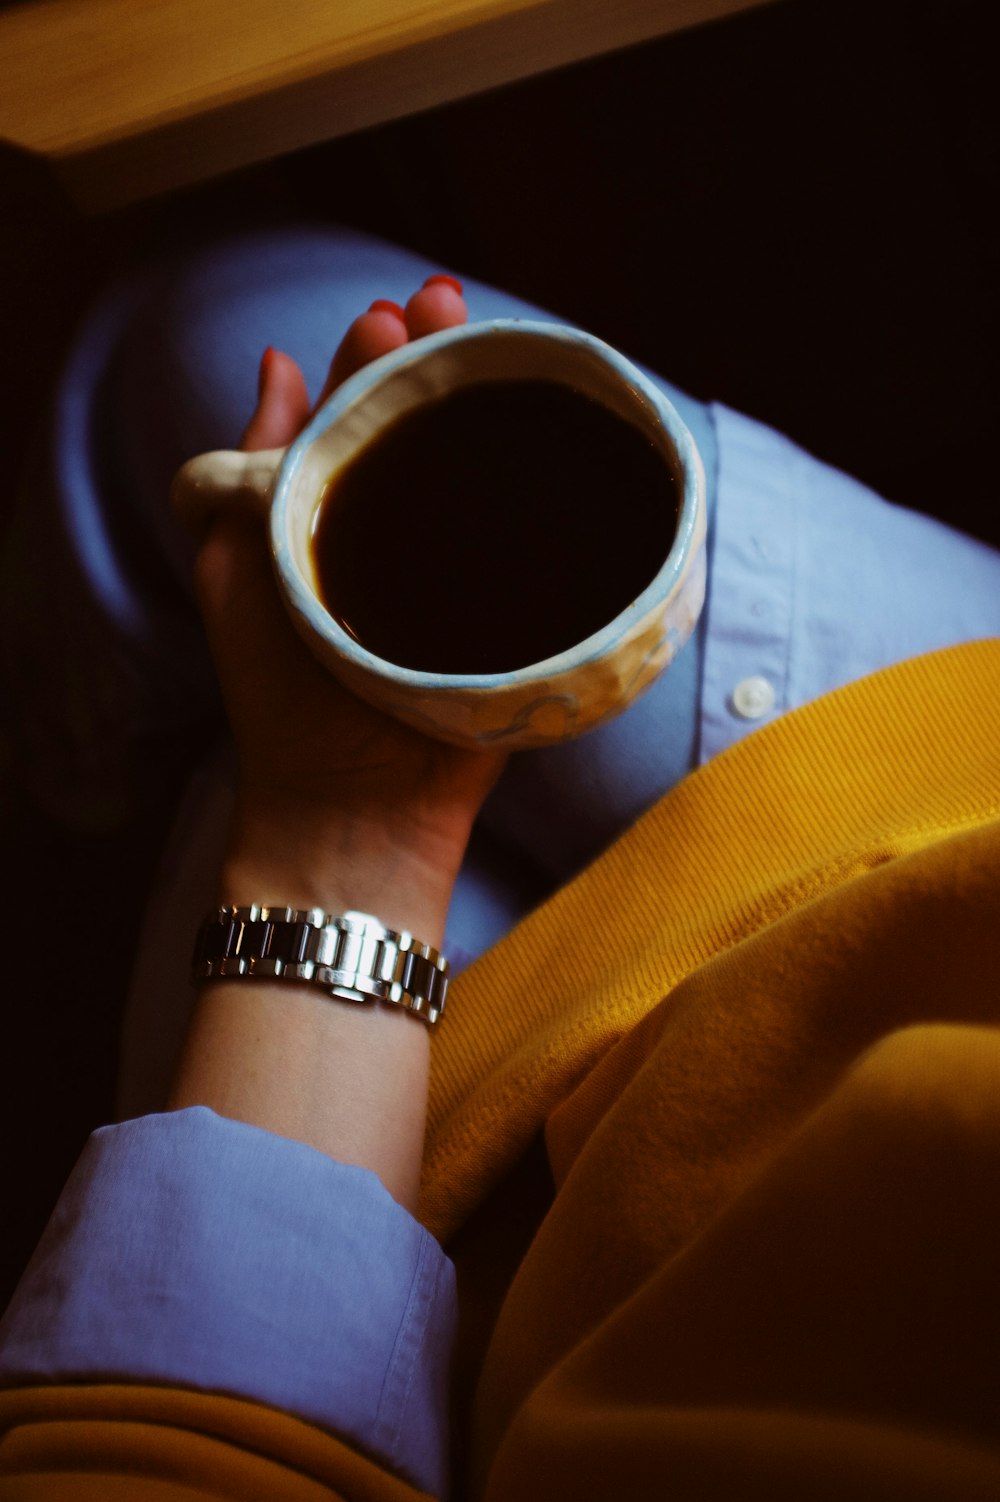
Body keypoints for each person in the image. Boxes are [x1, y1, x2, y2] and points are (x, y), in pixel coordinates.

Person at [1, 224, 1000, 1500]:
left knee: (179, 337)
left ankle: (71, 776)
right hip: (952, 770)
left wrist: (337, 847)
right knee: (223, 332)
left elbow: (202, 1449)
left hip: (537, 1214)